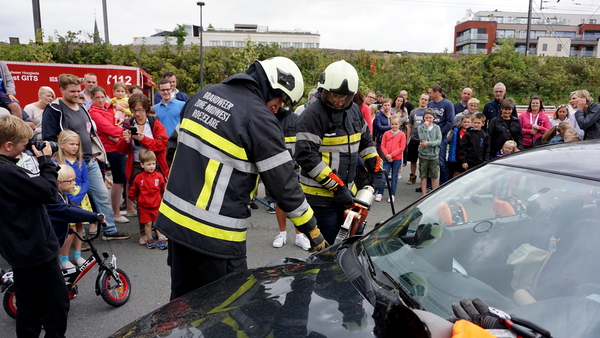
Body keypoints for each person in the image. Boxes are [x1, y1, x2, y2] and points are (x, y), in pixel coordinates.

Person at [156, 56, 327, 300]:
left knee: (182, 305)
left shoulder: (204, 95)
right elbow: (284, 184)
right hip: (217, 235)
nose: (278, 107)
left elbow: (174, 148)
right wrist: (312, 228)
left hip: (176, 224)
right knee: (230, 311)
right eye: (280, 99)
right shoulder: (258, 116)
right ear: (272, 84)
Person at [295, 59, 382, 245]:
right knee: (328, 250)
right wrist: (337, 187)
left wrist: (375, 166)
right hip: (320, 198)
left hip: (347, 195)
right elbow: (307, 157)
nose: (339, 101)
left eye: (345, 97)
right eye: (334, 95)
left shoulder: (354, 112)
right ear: (323, 90)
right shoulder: (311, 115)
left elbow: (365, 140)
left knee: (350, 245)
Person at [0, 114, 69, 338]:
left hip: (19, 249)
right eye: (23, 144)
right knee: (56, 308)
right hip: (34, 249)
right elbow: (48, 192)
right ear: (8, 145)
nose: (27, 148)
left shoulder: (8, 167)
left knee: (28, 311)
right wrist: (46, 161)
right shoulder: (7, 172)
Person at [42, 73, 131, 240]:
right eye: (72, 91)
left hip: (89, 160)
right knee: (73, 199)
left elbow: (90, 133)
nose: (76, 94)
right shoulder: (54, 109)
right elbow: (48, 138)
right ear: (61, 89)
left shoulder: (82, 107)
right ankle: (74, 237)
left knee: (102, 195)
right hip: (68, 164)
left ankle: (110, 231)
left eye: (78, 91)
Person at [118, 93, 169, 244]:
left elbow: (162, 145)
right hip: (136, 166)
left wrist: (143, 139)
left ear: (146, 109)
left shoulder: (155, 123)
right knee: (142, 199)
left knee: (159, 196)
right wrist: (125, 140)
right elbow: (120, 150)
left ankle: (160, 230)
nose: (137, 114)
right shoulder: (128, 124)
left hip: (155, 164)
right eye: (134, 110)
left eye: (140, 110)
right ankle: (144, 233)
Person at [270, 106, 311, 251]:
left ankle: (299, 236)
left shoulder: (295, 119)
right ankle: (282, 234)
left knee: (298, 201)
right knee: (280, 202)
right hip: (277, 168)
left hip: (296, 168)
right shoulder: (267, 118)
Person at [45, 164, 103, 267]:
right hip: (45, 244)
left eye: (74, 180)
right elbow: (67, 210)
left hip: (52, 243)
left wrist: (93, 216)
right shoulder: (52, 199)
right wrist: (93, 216)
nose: (74, 183)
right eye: (70, 181)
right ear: (58, 183)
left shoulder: (63, 195)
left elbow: (73, 207)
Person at [88, 86, 131, 223]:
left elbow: (122, 120)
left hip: (119, 145)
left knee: (121, 180)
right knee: (117, 181)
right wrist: (125, 133)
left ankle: (115, 212)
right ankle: (115, 213)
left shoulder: (110, 106)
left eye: (102, 97)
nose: (100, 100)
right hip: (109, 149)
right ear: (92, 98)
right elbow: (109, 129)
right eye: (97, 98)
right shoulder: (93, 112)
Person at [52, 130, 92, 268]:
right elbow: (58, 183)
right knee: (70, 229)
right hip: (66, 197)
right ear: (61, 144)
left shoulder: (80, 161)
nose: (75, 147)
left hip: (81, 197)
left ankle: (78, 255)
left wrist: (79, 197)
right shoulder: (55, 162)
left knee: (79, 227)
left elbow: (86, 181)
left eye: (77, 144)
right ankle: (64, 259)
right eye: (71, 144)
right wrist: (70, 199)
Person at [129, 149, 168, 249]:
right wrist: (132, 197)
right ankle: (149, 238)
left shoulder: (159, 176)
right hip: (144, 206)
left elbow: (163, 189)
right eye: (148, 164)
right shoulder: (139, 177)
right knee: (148, 223)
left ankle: (161, 237)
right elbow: (133, 189)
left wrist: (165, 199)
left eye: (153, 164)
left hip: (157, 204)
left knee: (158, 223)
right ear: (142, 165)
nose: (151, 166)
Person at [427, 84, 455, 185]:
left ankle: (443, 184)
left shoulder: (447, 104)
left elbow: (450, 121)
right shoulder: (430, 104)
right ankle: (429, 184)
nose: (429, 95)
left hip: (441, 136)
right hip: (429, 136)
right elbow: (427, 117)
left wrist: (439, 133)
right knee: (430, 160)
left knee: (441, 161)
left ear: (437, 92)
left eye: (430, 92)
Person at [378, 115, 406, 203]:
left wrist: (392, 155)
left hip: (397, 159)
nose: (394, 126)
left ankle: (392, 194)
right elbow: (382, 145)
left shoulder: (402, 134)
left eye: (396, 124)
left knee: (394, 177)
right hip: (386, 158)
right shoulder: (386, 133)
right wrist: (387, 155)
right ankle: (380, 193)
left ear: (399, 124)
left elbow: (402, 147)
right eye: (392, 124)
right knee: (383, 176)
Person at [405, 93, 428, 185]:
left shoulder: (428, 111)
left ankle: (423, 178)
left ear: (428, 101)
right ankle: (412, 176)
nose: (423, 101)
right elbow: (410, 126)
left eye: (425, 100)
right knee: (413, 160)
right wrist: (408, 139)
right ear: (419, 99)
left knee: (423, 161)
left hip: (424, 140)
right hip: (414, 139)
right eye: (422, 99)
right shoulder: (413, 112)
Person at [417, 111, 441, 196]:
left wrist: (429, 144)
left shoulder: (437, 128)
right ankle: (424, 194)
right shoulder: (421, 128)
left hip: (434, 155)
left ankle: (434, 194)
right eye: (426, 117)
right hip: (424, 154)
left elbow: (438, 140)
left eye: (430, 117)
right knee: (423, 175)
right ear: (424, 118)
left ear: (433, 118)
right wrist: (426, 128)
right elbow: (423, 139)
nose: (428, 119)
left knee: (434, 175)